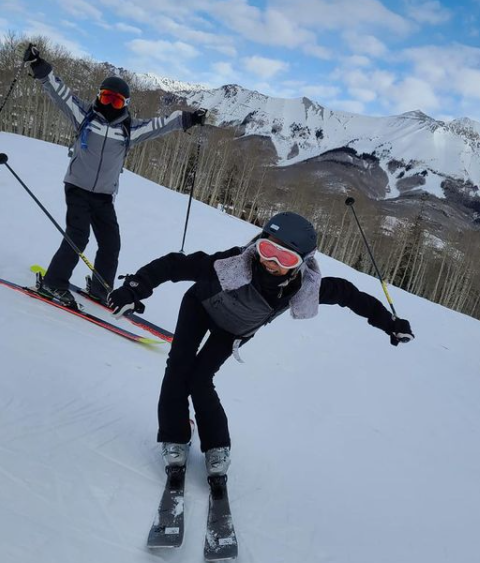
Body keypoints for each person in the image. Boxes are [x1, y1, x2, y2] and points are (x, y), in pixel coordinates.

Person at [105, 211, 415, 476]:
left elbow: (349, 295)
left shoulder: (302, 289)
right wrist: (135, 288)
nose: (270, 262)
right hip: (201, 306)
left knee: (200, 380)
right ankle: (175, 436)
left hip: (233, 330)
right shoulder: (232, 263)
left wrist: (389, 322)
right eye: (266, 249)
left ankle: (217, 447)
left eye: (284, 257)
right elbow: (177, 265)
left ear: (302, 262)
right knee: (179, 368)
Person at [22, 44, 207, 307]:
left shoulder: (129, 131)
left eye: (117, 101)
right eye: (106, 97)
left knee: (111, 243)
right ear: (99, 96)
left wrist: (189, 119)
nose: (110, 104)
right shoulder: (84, 116)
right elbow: (60, 93)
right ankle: (53, 284)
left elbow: (161, 124)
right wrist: (39, 65)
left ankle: (100, 288)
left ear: (125, 105)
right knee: (78, 236)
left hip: (104, 196)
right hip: (77, 187)